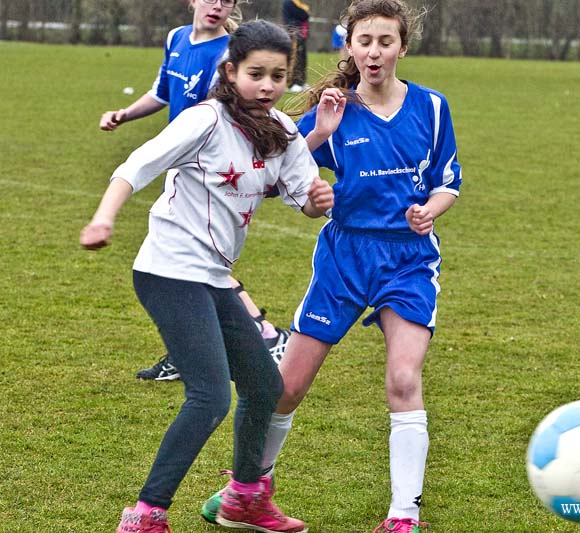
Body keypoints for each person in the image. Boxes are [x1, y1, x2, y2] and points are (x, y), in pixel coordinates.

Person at [200, 1, 462, 531]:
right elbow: (274, 167)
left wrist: (430, 211)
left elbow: (447, 180)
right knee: (286, 387)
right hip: (344, 256)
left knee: (404, 379)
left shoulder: (432, 107)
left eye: (386, 42)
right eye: (364, 41)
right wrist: (320, 130)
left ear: (402, 48)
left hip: (408, 261)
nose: (374, 52)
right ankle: (248, 490)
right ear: (349, 47)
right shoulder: (333, 107)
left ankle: (402, 515)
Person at [81, 19, 333, 533]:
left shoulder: (282, 132)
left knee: (264, 386)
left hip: (213, 278)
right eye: (256, 74)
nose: (267, 86)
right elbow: (137, 163)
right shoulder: (206, 120)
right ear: (231, 70)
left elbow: (305, 197)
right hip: (167, 272)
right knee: (212, 394)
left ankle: (245, 499)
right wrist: (104, 218)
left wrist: (317, 200)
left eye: (279, 76)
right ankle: (145, 515)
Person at [98, 0, 291, 382]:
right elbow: (163, 91)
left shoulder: (228, 52)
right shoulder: (177, 38)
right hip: (179, 166)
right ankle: (190, 351)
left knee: (196, 264)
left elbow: (224, 112)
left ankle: (266, 335)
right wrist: (126, 113)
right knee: (182, 266)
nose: (217, 5)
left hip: (208, 169)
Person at [283, 0, 311, 92]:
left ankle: (301, 82)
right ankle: (292, 83)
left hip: (301, 34)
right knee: (295, 58)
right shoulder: (289, 2)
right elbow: (304, 14)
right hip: (293, 32)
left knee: (302, 58)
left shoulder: (299, 2)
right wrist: (306, 11)